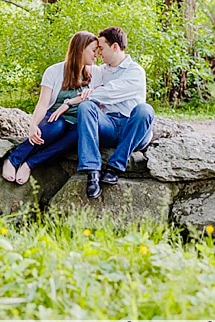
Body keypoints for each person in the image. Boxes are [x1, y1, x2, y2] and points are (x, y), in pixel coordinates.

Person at [52, 26, 154, 198]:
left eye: (101, 48)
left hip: (133, 128)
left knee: (145, 109)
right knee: (86, 107)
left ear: (115, 47)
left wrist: (74, 101)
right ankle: (92, 171)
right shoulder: (101, 71)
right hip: (109, 126)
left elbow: (111, 92)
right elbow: (76, 67)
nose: (98, 53)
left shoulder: (135, 71)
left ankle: (115, 167)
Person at [2, 31, 99, 185]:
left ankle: (30, 164)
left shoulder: (96, 72)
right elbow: (42, 103)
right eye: (93, 50)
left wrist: (73, 101)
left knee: (77, 135)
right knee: (56, 128)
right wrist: (33, 125)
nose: (96, 55)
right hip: (55, 118)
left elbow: (103, 93)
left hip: (78, 123)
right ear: (81, 49)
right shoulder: (54, 71)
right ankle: (14, 159)